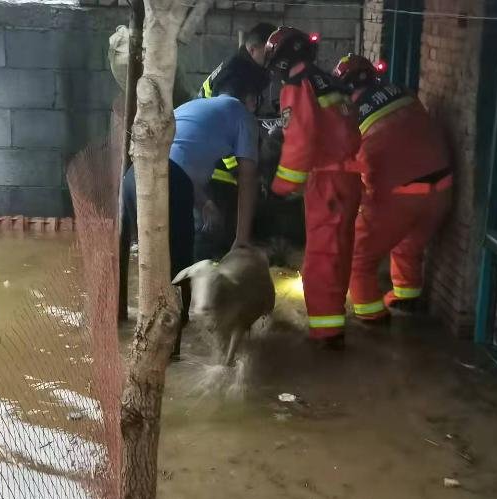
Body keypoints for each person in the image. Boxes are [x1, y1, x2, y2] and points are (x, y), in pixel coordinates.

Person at [122, 56, 268, 352]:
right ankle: (171, 358)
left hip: (133, 176)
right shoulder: (243, 116)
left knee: (144, 261)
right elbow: (248, 180)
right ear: (251, 98)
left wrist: (204, 204)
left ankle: (127, 330)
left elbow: (181, 155)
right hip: (169, 182)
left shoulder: (194, 105)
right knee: (178, 273)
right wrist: (241, 238)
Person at [332, 53, 452, 323]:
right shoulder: (405, 93)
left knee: (357, 258)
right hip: (442, 192)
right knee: (409, 242)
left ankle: (371, 316)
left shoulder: (350, 113)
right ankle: (406, 295)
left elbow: (349, 168)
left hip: (398, 198)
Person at [265, 27, 362, 350]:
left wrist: (280, 187)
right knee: (339, 253)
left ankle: (325, 335)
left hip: (328, 182)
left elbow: (300, 140)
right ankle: (332, 325)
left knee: (321, 258)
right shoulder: (330, 81)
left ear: (281, 59)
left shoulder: (298, 85)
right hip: (349, 178)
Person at [194, 22, 277, 261]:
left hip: (212, 160)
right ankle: (202, 285)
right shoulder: (238, 75)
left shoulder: (243, 69)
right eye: (268, 51)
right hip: (215, 167)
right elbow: (227, 122)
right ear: (253, 49)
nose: (273, 57)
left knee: (221, 231)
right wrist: (239, 169)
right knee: (214, 233)